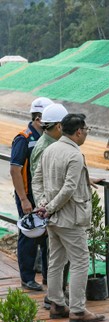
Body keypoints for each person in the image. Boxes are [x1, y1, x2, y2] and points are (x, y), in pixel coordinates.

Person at [32, 113, 105, 322]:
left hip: (53, 218)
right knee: (81, 261)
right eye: (86, 130)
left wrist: (42, 204)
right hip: (70, 218)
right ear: (79, 131)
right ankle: (78, 310)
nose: (86, 134)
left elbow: (37, 180)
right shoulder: (74, 155)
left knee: (56, 260)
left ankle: (56, 304)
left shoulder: (50, 149)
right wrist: (51, 207)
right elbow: (70, 188)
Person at [30, 103, 70, 309]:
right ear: (58, 126)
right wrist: (45, 207)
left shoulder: (49, 143)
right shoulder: (45, 147)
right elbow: (37, 181)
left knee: (59, 256)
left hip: (54, 208)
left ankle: (57, 296)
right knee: (58, 256)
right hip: (54, 210)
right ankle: (54, 297)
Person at [10, 97, 52, 291]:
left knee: (47, 237)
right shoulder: (24, 138)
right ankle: (27, 278)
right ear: (38, 118)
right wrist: (24, 199)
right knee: (28, 237)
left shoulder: (47, 138)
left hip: (43, 196)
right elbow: (15, 170)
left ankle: (47, 277)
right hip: (28, 196)